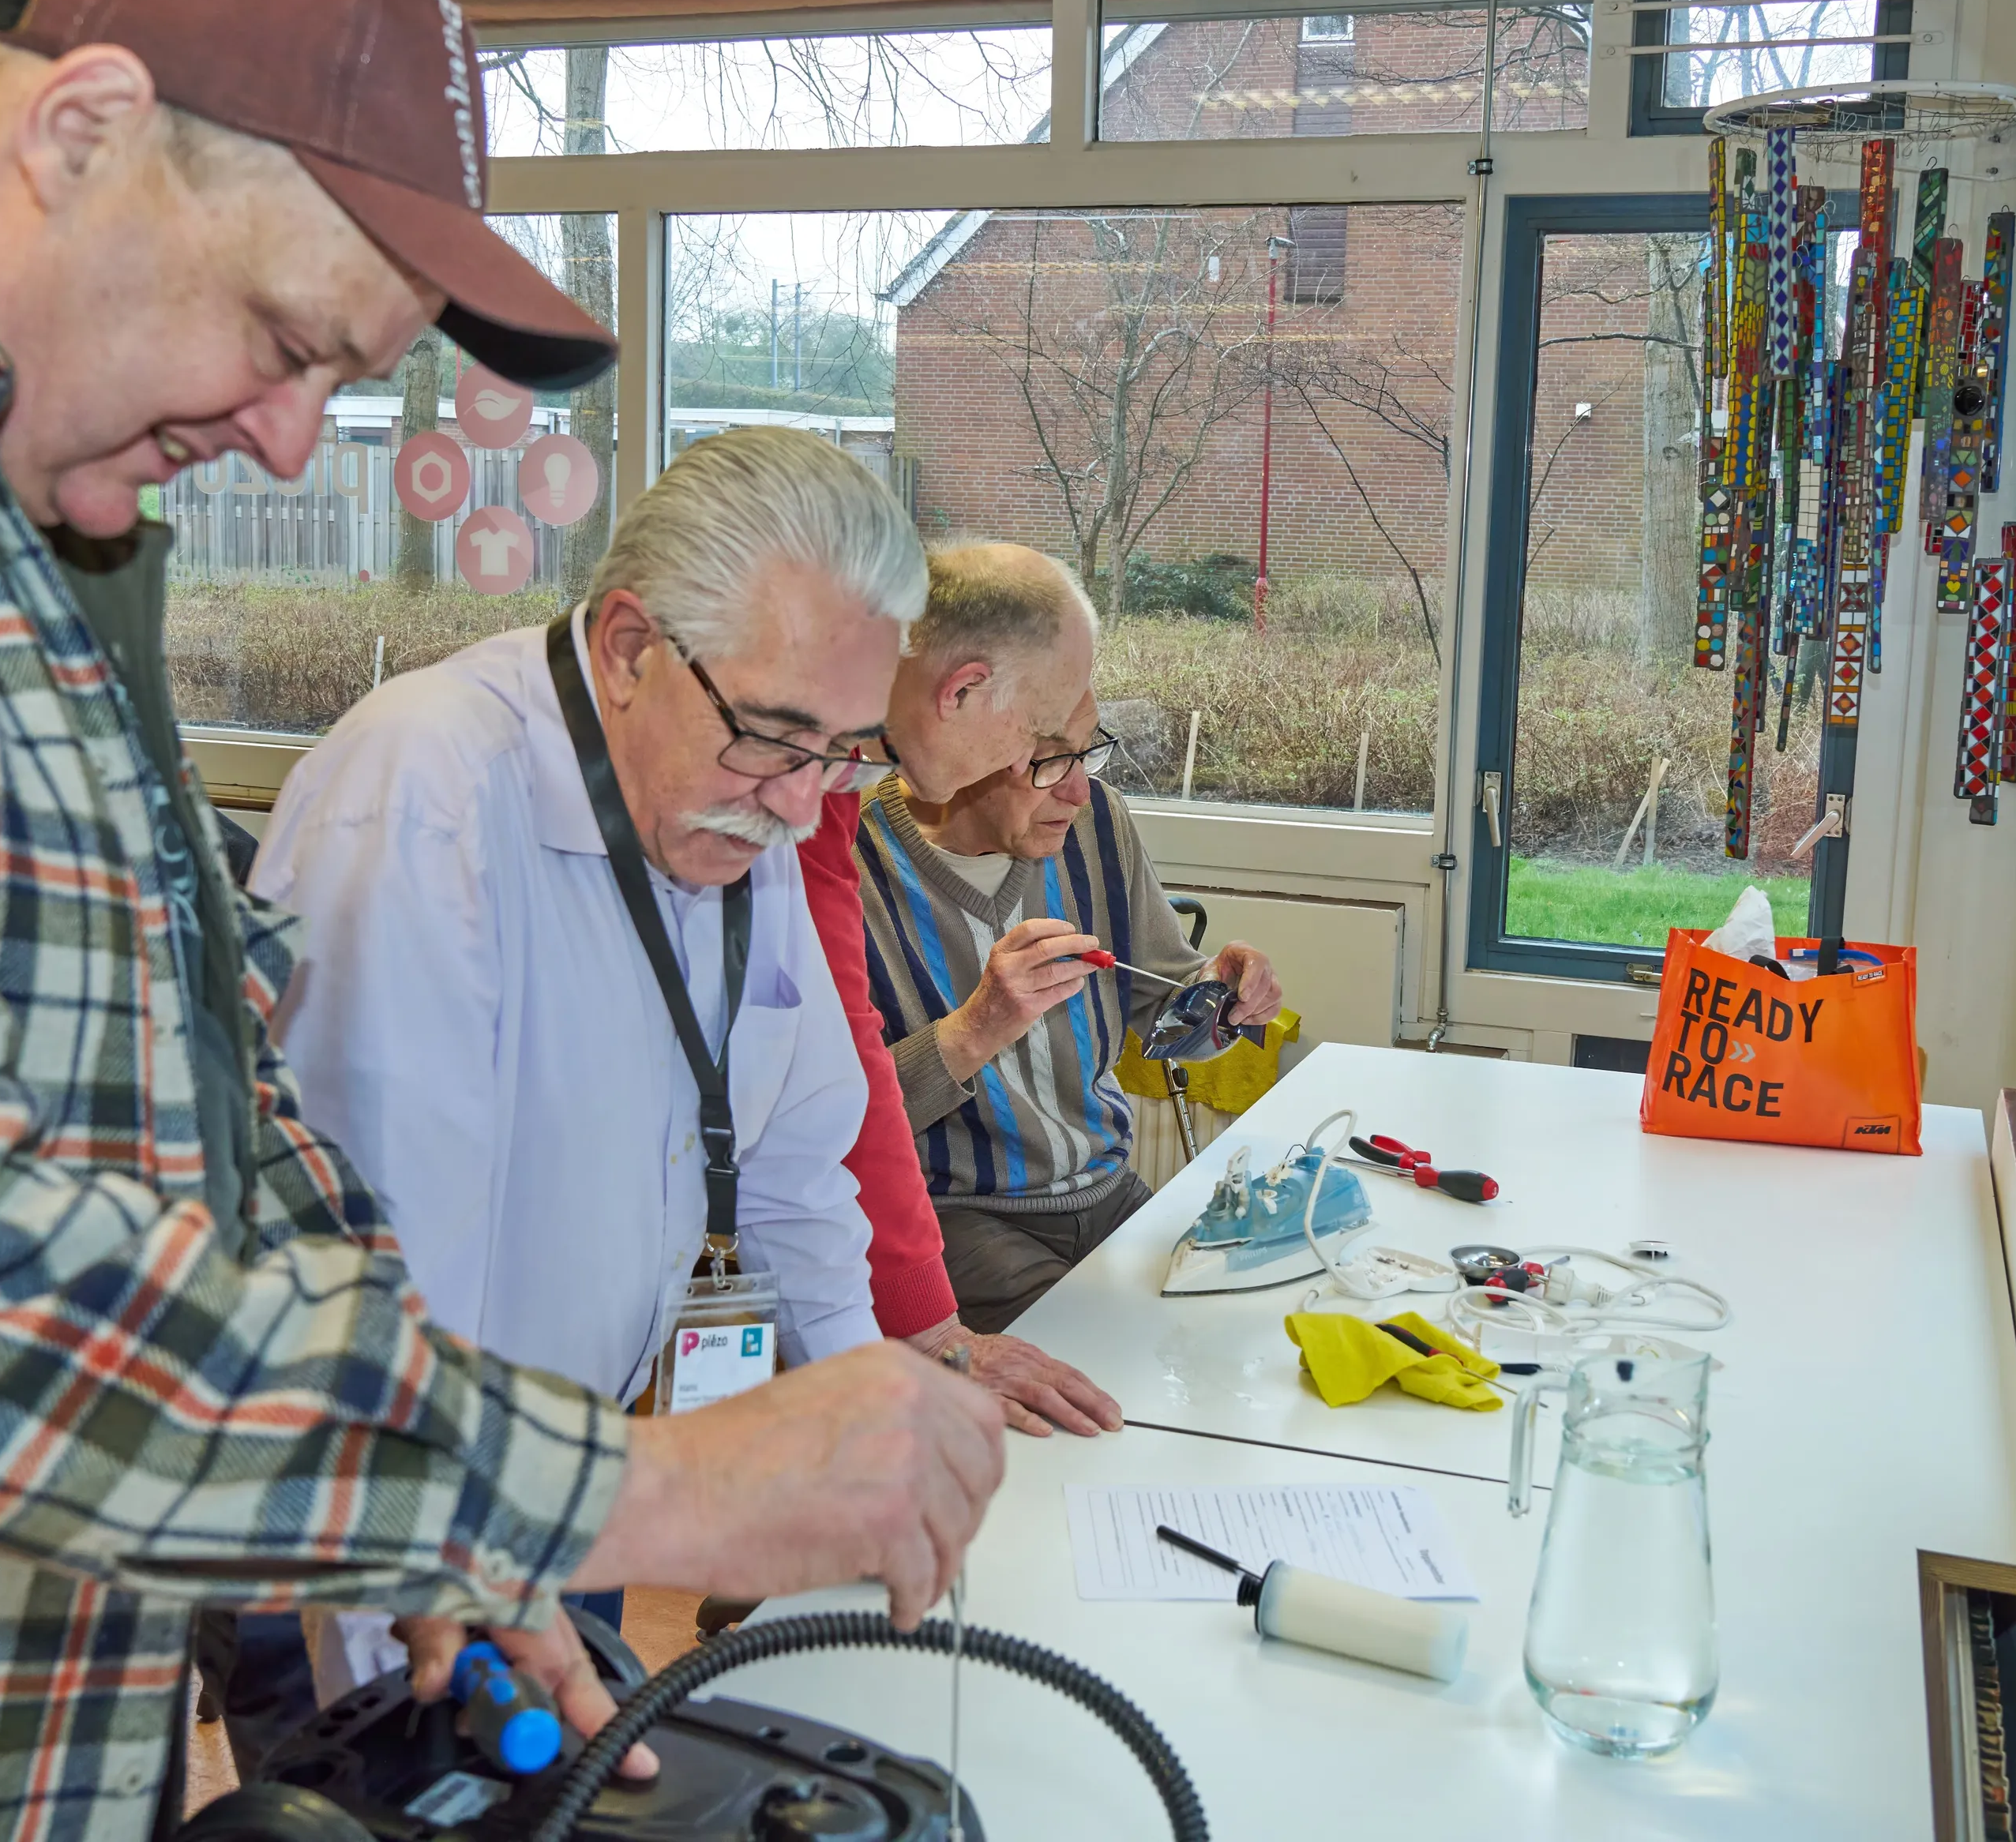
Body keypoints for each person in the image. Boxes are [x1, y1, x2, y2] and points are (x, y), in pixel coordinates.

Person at [0, 0, 997, 1840]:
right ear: (82, 131)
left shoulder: (10, 483)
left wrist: (438, 1506)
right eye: (286, 340)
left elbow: (201, 1099)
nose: (293, 446)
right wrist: (619, 1485)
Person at [251, 426, 924, 1687]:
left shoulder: (737, 806)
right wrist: (410, 1672)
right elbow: (374, 1292)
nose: (803, 805)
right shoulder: (426, 798)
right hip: (392, 1538)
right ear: (627, 649)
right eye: (777, 737)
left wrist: (876, 1447)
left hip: (570, 1480)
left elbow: (794, 1167)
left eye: (843, 753)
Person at [799, 546, 1127, 1435]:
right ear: (964, 691)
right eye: (1041, 741)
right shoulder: (816, 793)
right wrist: (935, 1333)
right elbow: (832, 1089)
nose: (1063, 781)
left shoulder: (826, 778)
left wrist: (932, 1332)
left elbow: (831, 1076)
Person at [858, 693, 1286, 1330]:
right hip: (956, 1215)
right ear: (960, 749)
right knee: (1098, 1362)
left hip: (1107, 1187)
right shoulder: (846, 864)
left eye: (1088, 752)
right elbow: (831, 1124)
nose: (1080, 791)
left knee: (1229, 1328)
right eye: (1051, 760)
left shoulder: (1096, 823)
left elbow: (1163, 1002)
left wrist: (1221, 1000)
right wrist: (977, 1027)